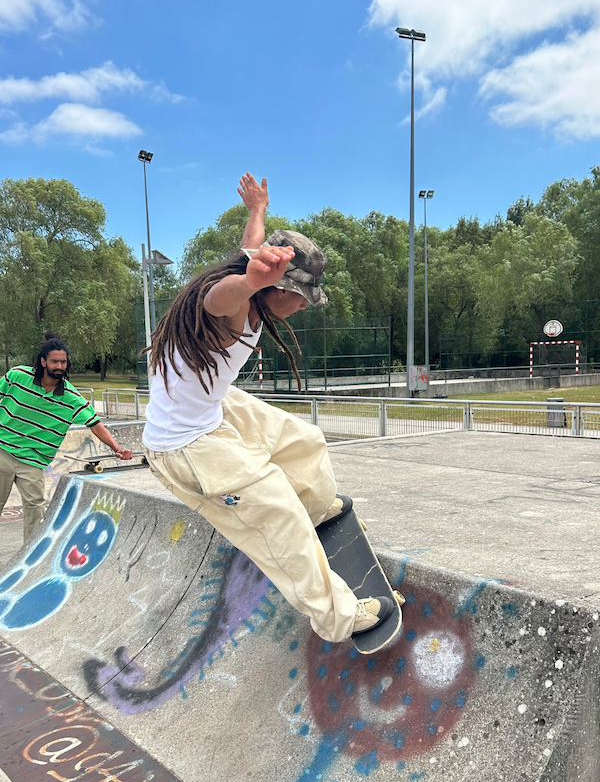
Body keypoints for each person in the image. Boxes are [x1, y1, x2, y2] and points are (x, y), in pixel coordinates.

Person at [142, 173, 401, 651]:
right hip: (185, 447)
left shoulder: (251, 273)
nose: (301, 309)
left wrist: (257, 210)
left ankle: (316, 506)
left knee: (303, 442)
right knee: (277, 514)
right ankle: (341, 617)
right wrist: (248, 282)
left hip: (213, 406)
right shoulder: (232, 305)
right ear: (276, 286)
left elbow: (250, 246)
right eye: (300, 299)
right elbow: (217, 299)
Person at [0, 332, 133, 542]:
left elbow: (96, 425)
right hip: (3, 452)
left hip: (33, 461)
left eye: (63, 362)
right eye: (54, 362)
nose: (59, 366)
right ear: (43, 361)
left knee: (36, 510)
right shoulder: (17, 376)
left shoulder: (71, 398)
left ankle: (28, 562)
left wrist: (116, 448)